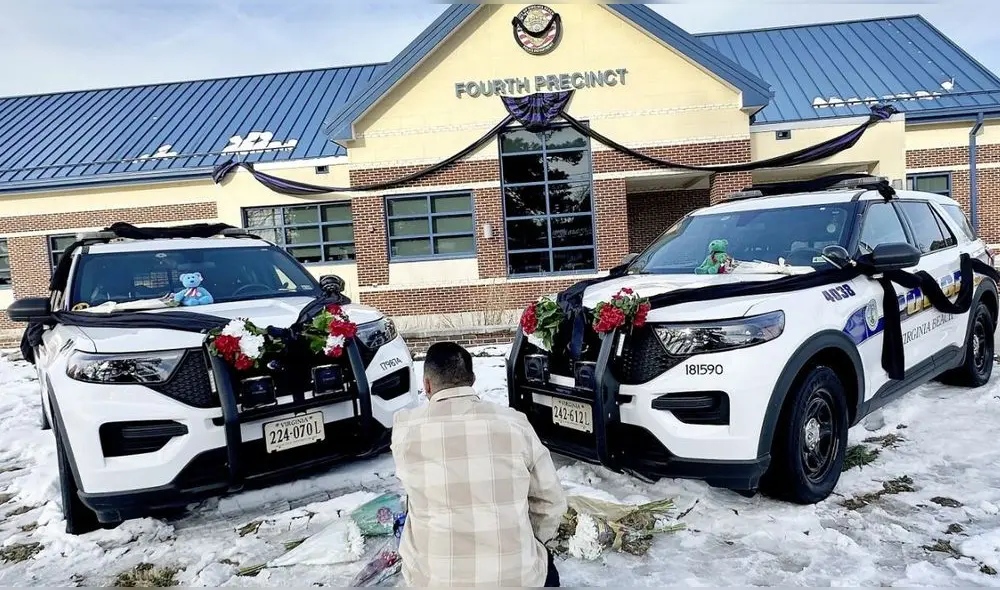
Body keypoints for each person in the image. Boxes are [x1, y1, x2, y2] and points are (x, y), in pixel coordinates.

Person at [391, 342, 567, 587]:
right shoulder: (515, 424)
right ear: (472, 379)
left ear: (427, 385)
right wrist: (531, 541)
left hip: (436, 581)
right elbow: (550, 501)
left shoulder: (405, 430)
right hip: (518, 578)